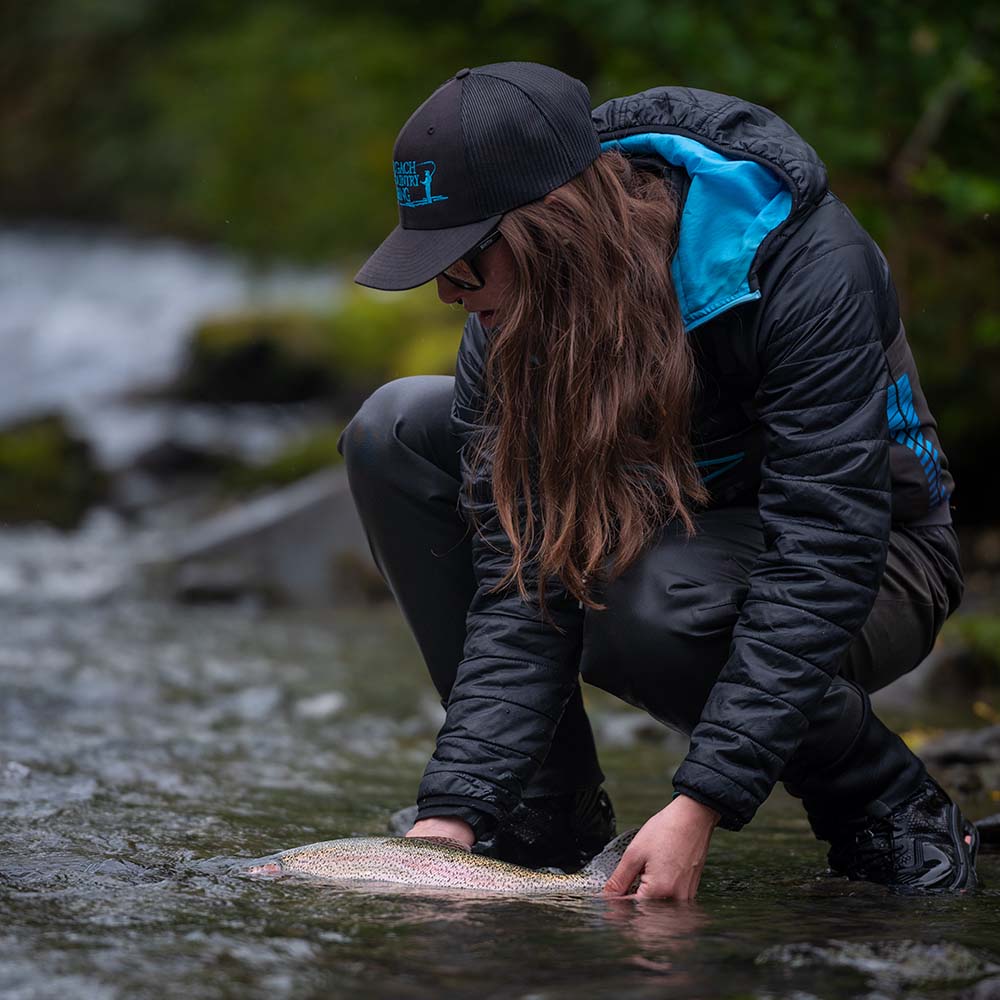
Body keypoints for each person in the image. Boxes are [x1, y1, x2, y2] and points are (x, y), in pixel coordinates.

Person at [338, 62, 980, 897]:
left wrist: (701, 799)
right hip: (673, 538)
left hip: (875, 559)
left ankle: (886, 802)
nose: (446, 295)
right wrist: (453, 812)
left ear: (546, 231)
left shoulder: (798, 259)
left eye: (460, 264)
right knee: (395, 429)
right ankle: (544, 809)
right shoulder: (512, 319)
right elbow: (523, 578)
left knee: (643, 598)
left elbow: (825, 550)